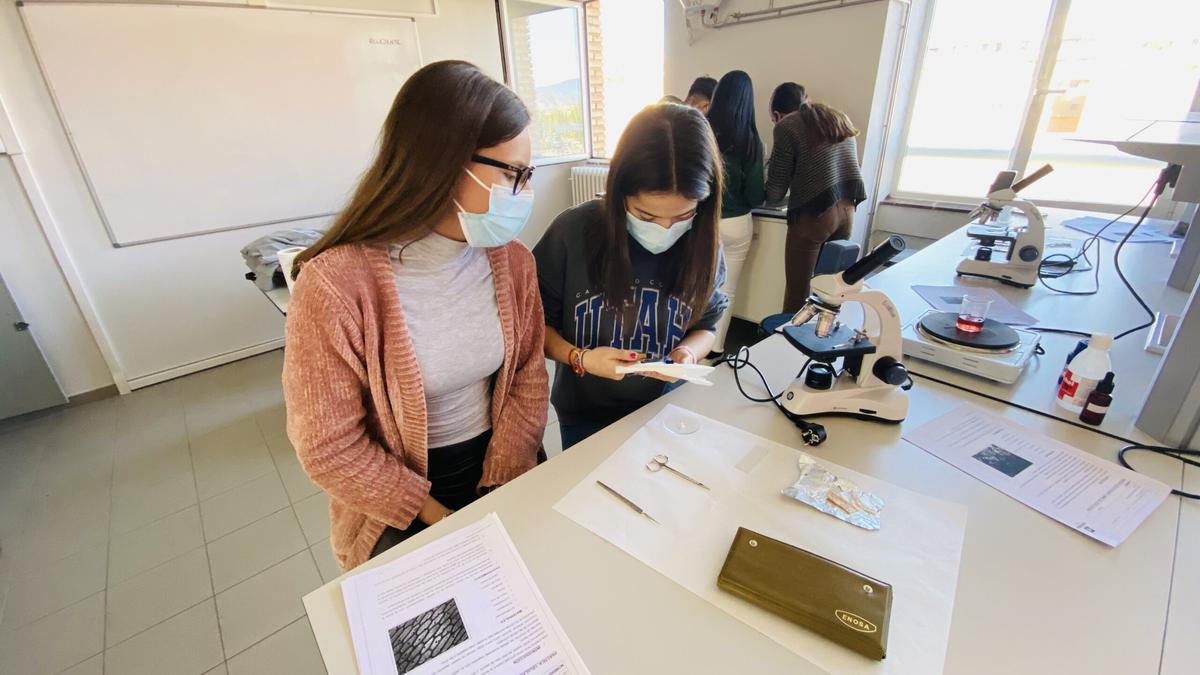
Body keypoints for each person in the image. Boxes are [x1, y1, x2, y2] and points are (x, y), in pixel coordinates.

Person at [282, 61, 548, 571]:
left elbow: (527, 376)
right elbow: (328, 446)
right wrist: (435, 514)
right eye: (510, 174)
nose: (522, 194)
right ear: (443, 163)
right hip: (399, 501)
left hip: (503, 467)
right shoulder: (336, 285)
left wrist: (505, 475)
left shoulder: (513, 262)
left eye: (527, 175)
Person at [534, 103, 729, 449]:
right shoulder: (573, 233)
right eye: (646, 215)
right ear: (619, 192)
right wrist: (581, 358)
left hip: (666, 408)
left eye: (683, 215)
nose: (666, 228)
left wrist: (687, 353)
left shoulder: (703, 243)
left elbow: (706, 327)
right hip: (586, 415)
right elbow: (535, 328)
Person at [766, 100, 867, 312]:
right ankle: (821, 338)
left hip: (814, 217)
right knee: (831, 292)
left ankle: (788, 342)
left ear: (777, 113)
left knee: (798, 293)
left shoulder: (786, 126)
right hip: (847, 211)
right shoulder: (836, 117)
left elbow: (775, 192)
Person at [705, 70, 765, 357]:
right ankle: (716, 348)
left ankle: (691, 350)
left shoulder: (702, 132)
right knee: (726, 290)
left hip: (703, 221)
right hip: (738, 224)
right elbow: (755, 195)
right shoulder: (751, 140)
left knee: (696, 287)